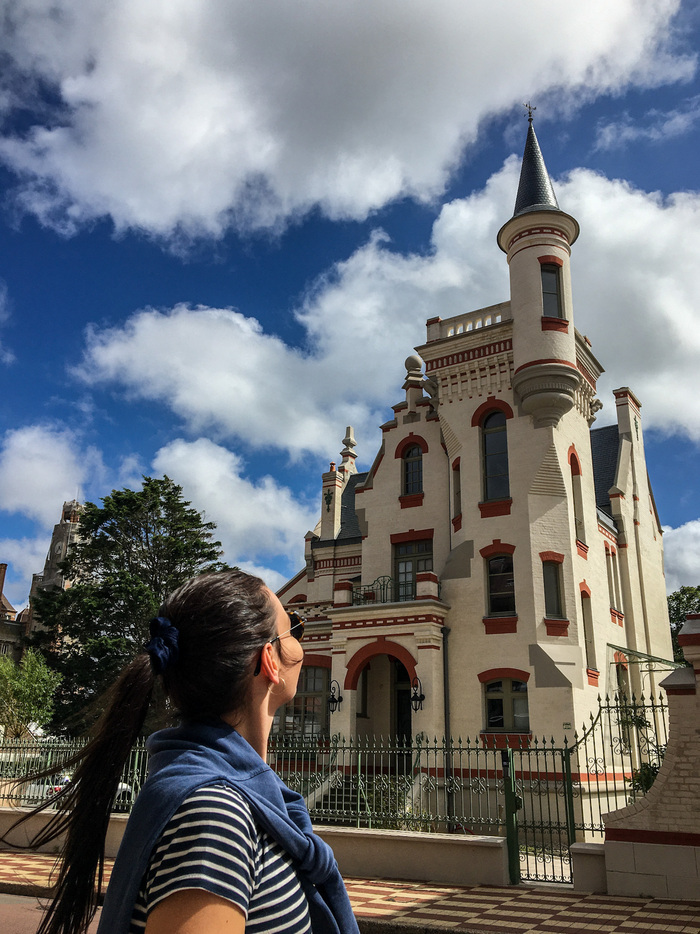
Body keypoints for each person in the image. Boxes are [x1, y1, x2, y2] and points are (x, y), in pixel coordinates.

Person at [10, 570, 359, 934]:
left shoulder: (235, 801)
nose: (301, 643)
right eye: (295, 629)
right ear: (269, 659)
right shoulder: (213, 816)